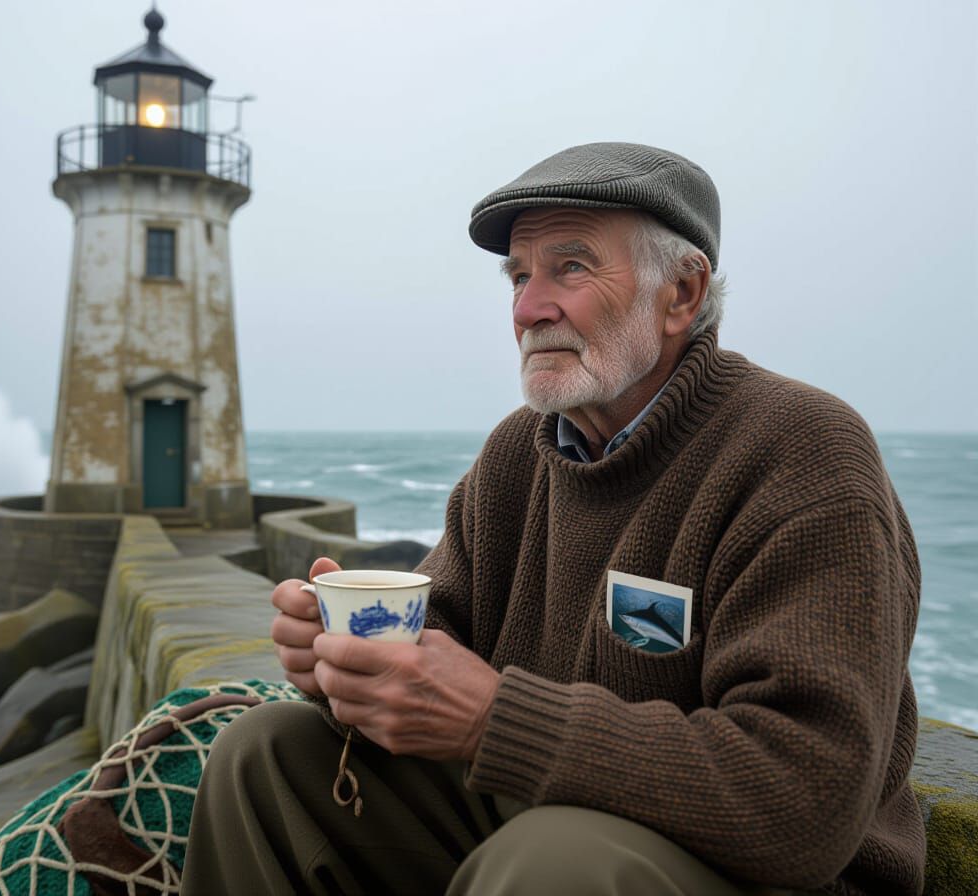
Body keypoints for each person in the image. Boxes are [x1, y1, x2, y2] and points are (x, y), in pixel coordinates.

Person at [179, 143, 925, 895]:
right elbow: (440, 638)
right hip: (537, 814)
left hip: (766, 873)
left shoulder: (803, 450)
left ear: (683, 294)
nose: (529, 307)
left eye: (570, 268)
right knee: (264, 754)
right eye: (518, 274)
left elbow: (807, 801)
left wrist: (492, 720)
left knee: (553, 860)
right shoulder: (519, 452)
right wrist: (344, 660)